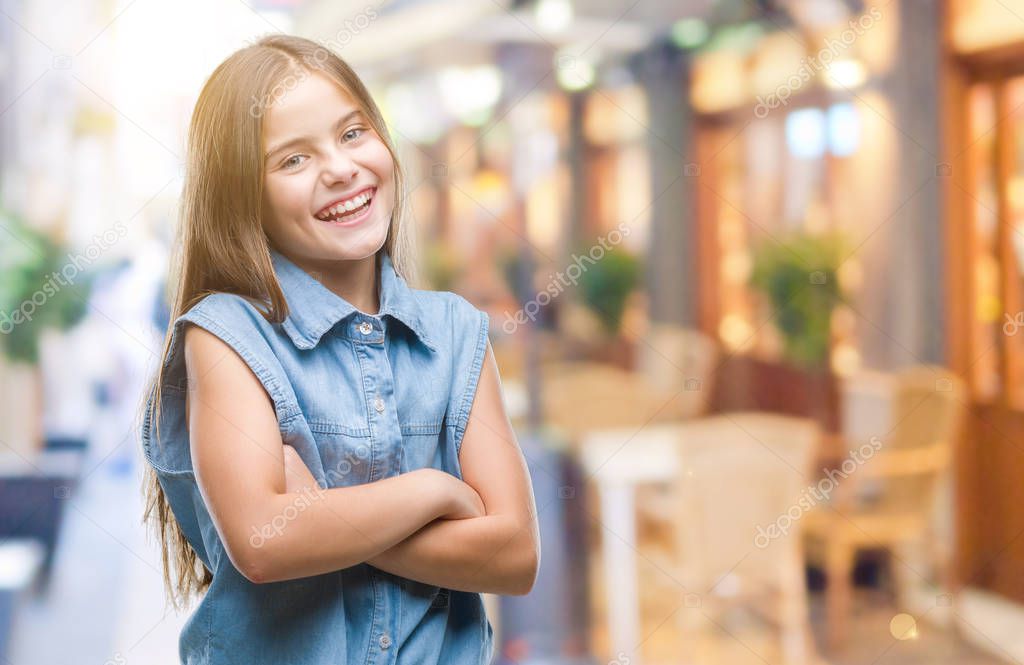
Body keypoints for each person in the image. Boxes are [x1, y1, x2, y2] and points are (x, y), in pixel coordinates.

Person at [137, 33, 539, 665]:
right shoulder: (225, 336)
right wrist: (434, 492)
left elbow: (514, 557)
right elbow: (265, 544)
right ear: (245, 197)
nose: (340, 168)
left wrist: (322, 518)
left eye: (352, 134)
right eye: (292, 160)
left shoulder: (457, 332)